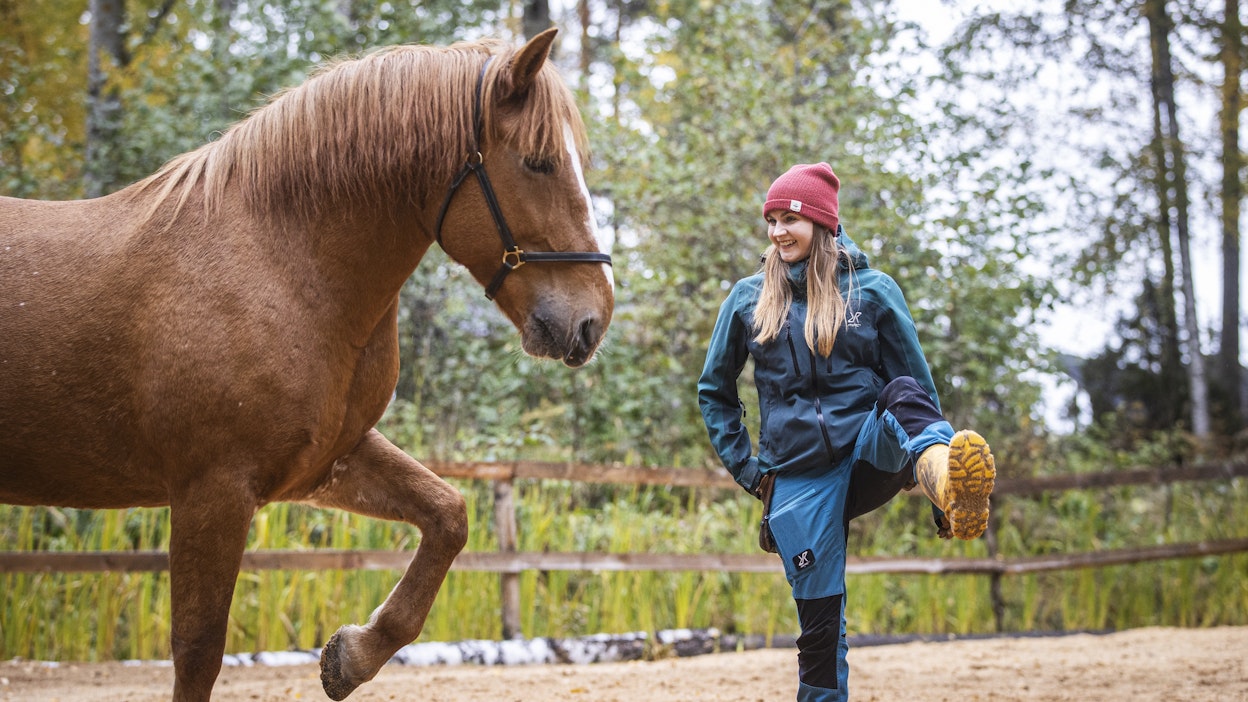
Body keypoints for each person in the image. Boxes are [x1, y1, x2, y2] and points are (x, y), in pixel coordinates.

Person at [697, 162, 996, 702]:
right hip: (795, 477)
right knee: (818, 633)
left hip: (867, 452)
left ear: (821, 222)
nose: (777, 231)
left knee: (899, 394)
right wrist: (750, 471)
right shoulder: (747, 298)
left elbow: (918, 389)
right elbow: (715, 392)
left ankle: (948, 483)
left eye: (790, 218)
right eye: (771, 219)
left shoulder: (873, 292)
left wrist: (940, 485)